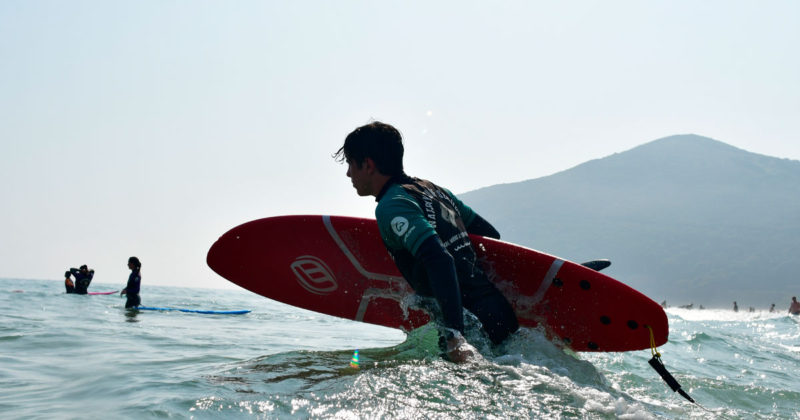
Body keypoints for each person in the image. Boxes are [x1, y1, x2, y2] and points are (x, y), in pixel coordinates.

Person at [334, 121, 519, 362]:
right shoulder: (435, 191)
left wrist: (455, 336)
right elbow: (490, 235)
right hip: (500, 314)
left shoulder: (392, 205)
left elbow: (439, 259)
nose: (348, 173)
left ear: (368, 165)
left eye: (350, 163)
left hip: (472, 328)